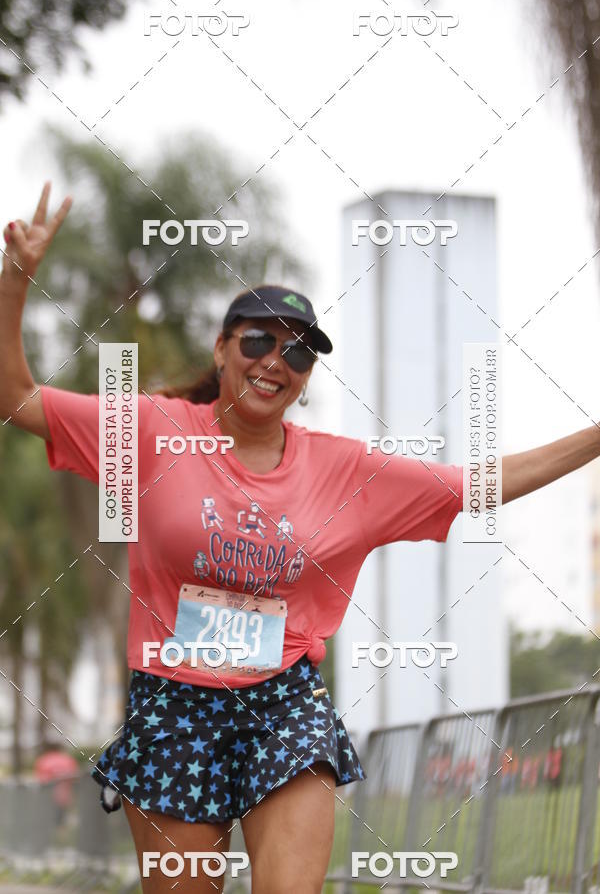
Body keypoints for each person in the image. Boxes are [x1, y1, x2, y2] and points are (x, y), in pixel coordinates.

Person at [2, 184, 600, 894]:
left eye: (299, 352)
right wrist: (16, 279)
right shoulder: (155, 432)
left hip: (285, 701)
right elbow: (15, 398)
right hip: (173, 706)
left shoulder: (344, 470)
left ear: (306, 377)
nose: (276, 360)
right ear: (222, 349)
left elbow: (476, 483)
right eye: (257, 339)